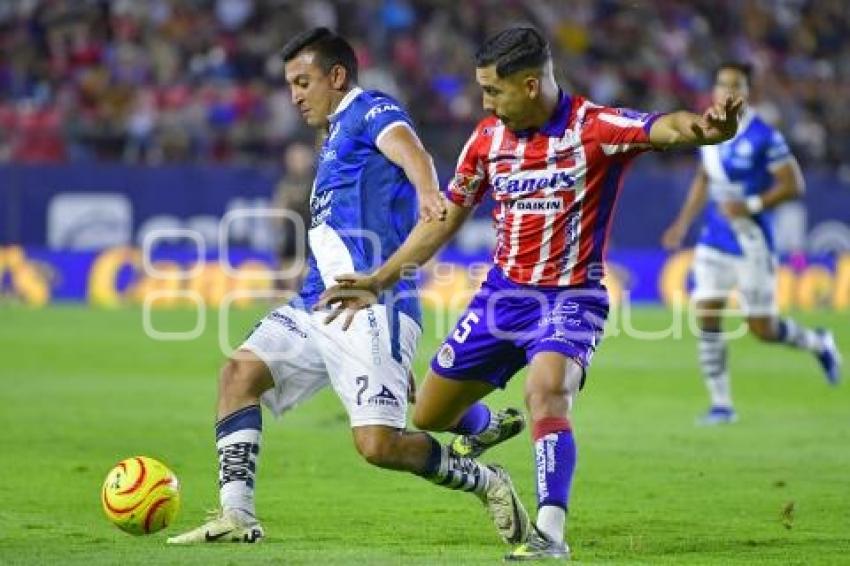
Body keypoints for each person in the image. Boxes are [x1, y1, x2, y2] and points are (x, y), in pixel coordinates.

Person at [317, 27, 748, 560]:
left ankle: (549, 531)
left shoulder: (595, 128)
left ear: (528, 84)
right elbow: (446, 217)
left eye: (493, 92)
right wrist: (381, 278)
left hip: (571, 298)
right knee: (427, 415)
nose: (485, 104)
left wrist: (707, 130)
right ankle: (487, 426)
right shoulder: (486, 140)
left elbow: (665, 127)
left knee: (547, 392)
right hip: (501, 298)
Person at [167, 27, 529, 545]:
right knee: (237, 374)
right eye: (290, 84)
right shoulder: (334, 136)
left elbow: (413, 152)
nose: (294, 96)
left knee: (378, 445)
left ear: (336, 76)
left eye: (302, 81)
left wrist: (429, 192)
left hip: (372, 305)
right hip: (318, 301)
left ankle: (486, 480)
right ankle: (236, 515)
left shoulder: (369, 109)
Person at [661, 62, 841, 425]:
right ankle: (721, 405)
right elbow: (702, 178)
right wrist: (682, 223)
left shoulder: (764, 136)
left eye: (735, 85)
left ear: (747, 92)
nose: (727, 91)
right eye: (721, 84)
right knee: (707, 314)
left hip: (752, 242)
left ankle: (818, 343)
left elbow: (794, 185)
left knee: (763, 329)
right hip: (714, 238)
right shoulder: (707, 127)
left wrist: (751, 205)